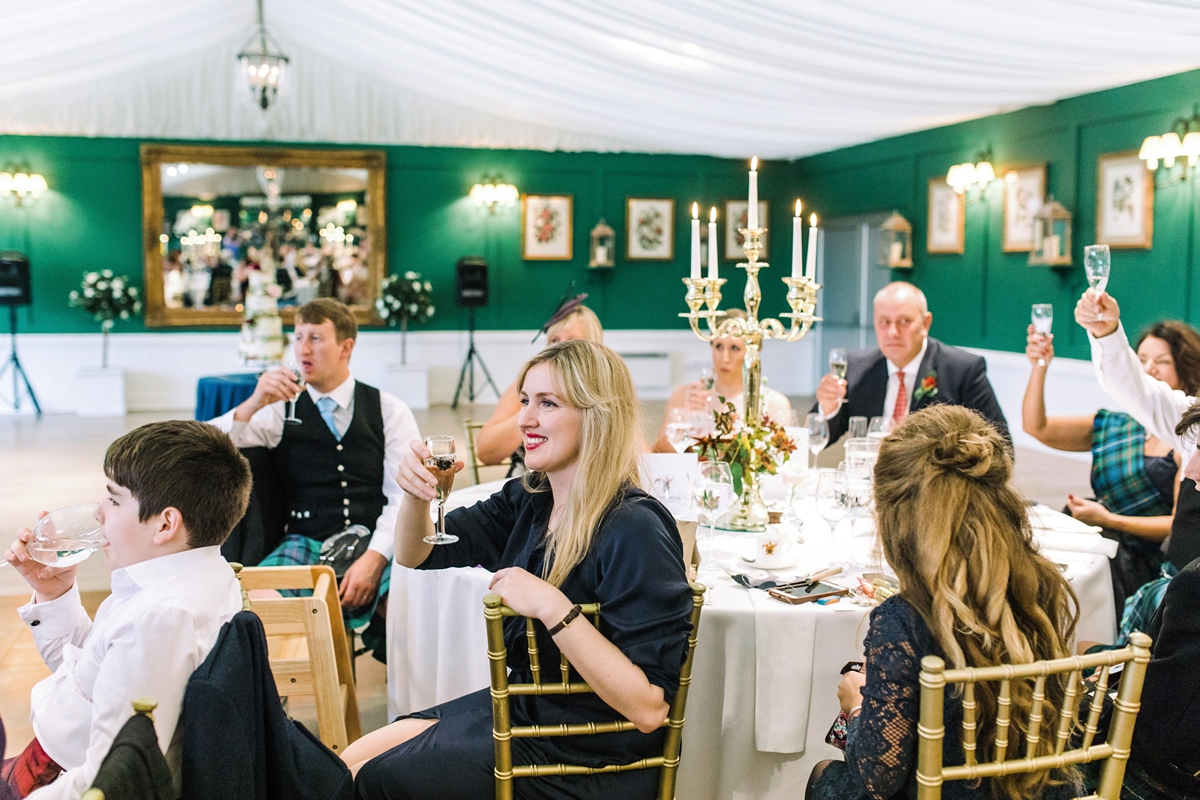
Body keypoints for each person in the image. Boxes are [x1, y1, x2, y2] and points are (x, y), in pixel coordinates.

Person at [343, 339, 693, 800]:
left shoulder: (634, 527)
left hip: (592, 750)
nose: (525, 418)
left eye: (547, 404)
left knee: (377, 780)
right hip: (530, 709)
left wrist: (556, 608)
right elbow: (417, 554)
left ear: (597, 415)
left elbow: (649, 709)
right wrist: (415, 496)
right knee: (347, 763)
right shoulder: (531, 498)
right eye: (526, 400)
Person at [807, 405, 1078, 800]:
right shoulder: (1041, 583)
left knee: (825, 775)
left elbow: (878, 778)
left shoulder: (904, 620)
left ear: (894, 518)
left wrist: (856, 705)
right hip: (1037, 789)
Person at [2, 421, 251, 799]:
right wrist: (54, 592)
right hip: (48, 758)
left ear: (166, 523)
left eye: (114, 499)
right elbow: (94, 673)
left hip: (55, 778)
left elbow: (112, 775)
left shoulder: (159, 620)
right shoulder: (192, 576)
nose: (99, 512)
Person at [209, 298, 421, 638]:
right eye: (297, 338)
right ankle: (282, 688)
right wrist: (253, 403)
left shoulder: (388, 409)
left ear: (345, 347)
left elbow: (404, 497)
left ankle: (406, 689)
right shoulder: (280, 410)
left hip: (376, 539)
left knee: (413, 604)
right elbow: (209, 446)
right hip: (305, 541)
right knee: (252, 602)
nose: (302, 350)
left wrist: (376, 558)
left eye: (315, 338)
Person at [1023, 319, 1200, 614]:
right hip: (1100, 534)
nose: (1148, 369)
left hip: (1142, 557)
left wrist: (1109, 519)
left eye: (1162, 361)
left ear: (1186, 367)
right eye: (1140, 359)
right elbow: (1036, 426)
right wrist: (1039, 365)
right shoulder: (1114, 424)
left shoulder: (1187, 436)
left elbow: (1180, 524)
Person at [1076, 289, 1200, 574]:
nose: (1192, 472)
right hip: (1178, 579)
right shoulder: (1193, 416)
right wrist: (1106, 334)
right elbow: (1137, 390)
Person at [813, 282, 1010, 447]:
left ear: (926, 323)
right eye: (884, 322)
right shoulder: (857, 367)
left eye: (904, 321)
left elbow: (1001, 444)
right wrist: (828, 408)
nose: (893, 332)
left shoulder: (962, 370)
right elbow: (813, 437)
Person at [474, 297, 603, 467]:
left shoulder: (607, 388)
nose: (560, 349)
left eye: (572, 341)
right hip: (530, 486)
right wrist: (534, 405)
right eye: (554, 340)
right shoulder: (524, 387)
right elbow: (486, 452)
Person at [653, 309, 792, 452]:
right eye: (719, 346)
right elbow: (659, 455)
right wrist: (684, 416)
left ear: (752, 353)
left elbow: (781, 463)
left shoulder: (774, 404)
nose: (725, 358)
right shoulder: (685, 395)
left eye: (735, 348)